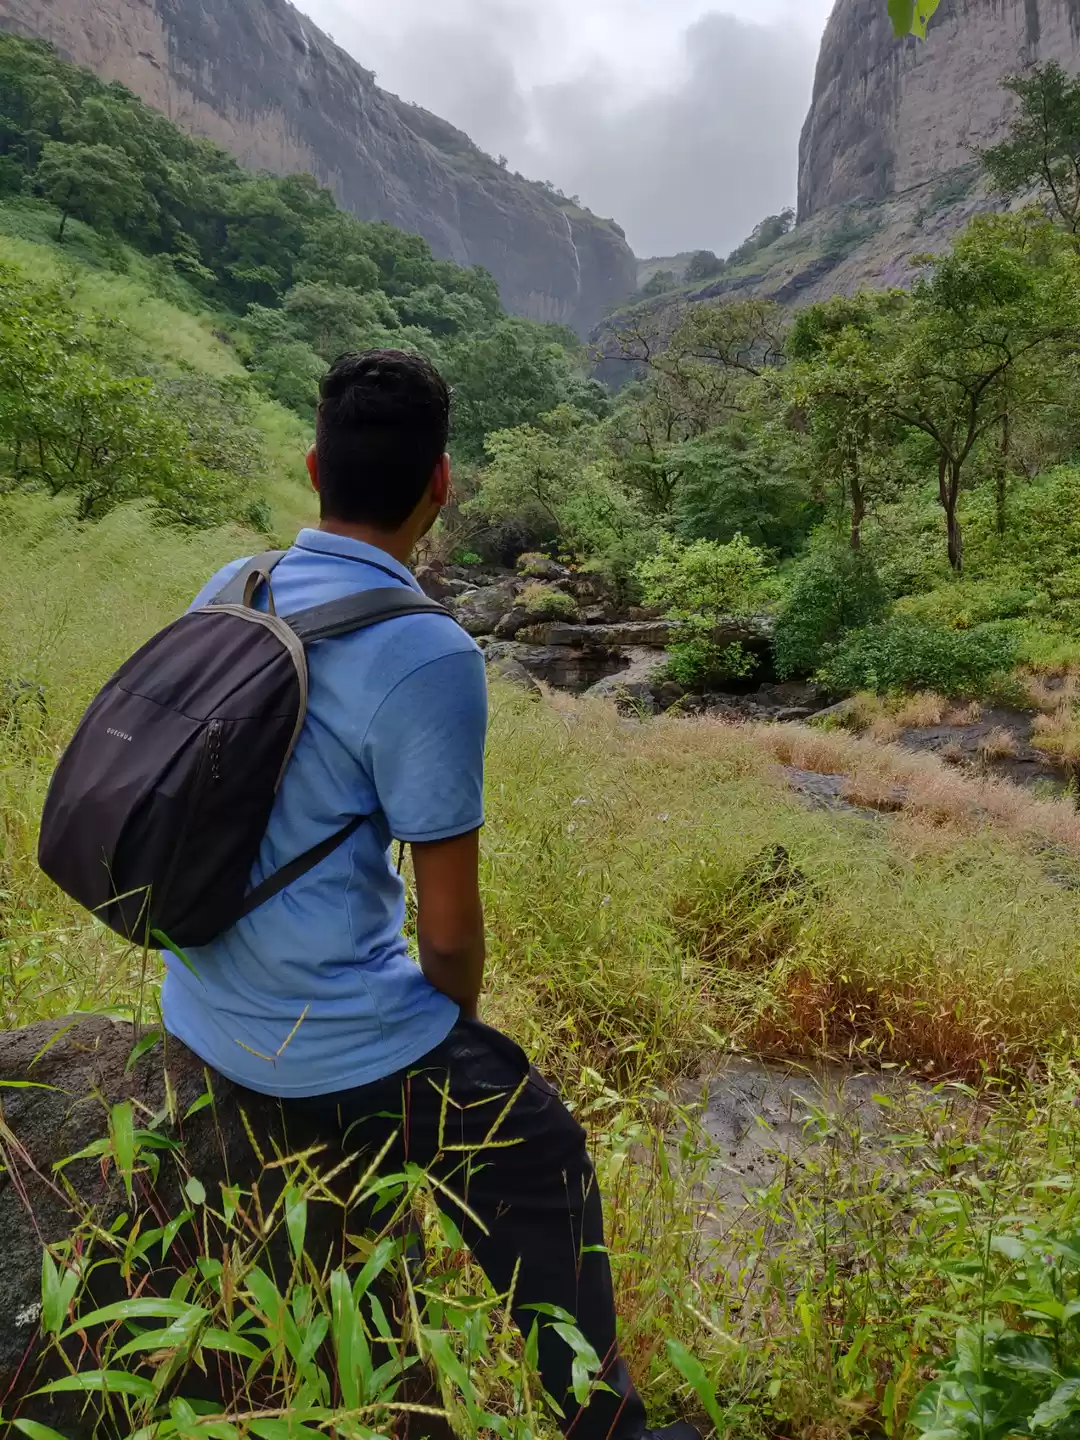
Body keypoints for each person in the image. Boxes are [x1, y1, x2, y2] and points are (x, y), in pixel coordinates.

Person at [161, 350, 701, 1440]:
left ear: (314, 465)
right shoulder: (426, 650)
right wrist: (448, 1034)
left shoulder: (236, 583)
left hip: (196, 997)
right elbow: (450, 933)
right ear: (441, 485)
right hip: (321, 1040)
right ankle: (608, 1426)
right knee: (538, 1150)